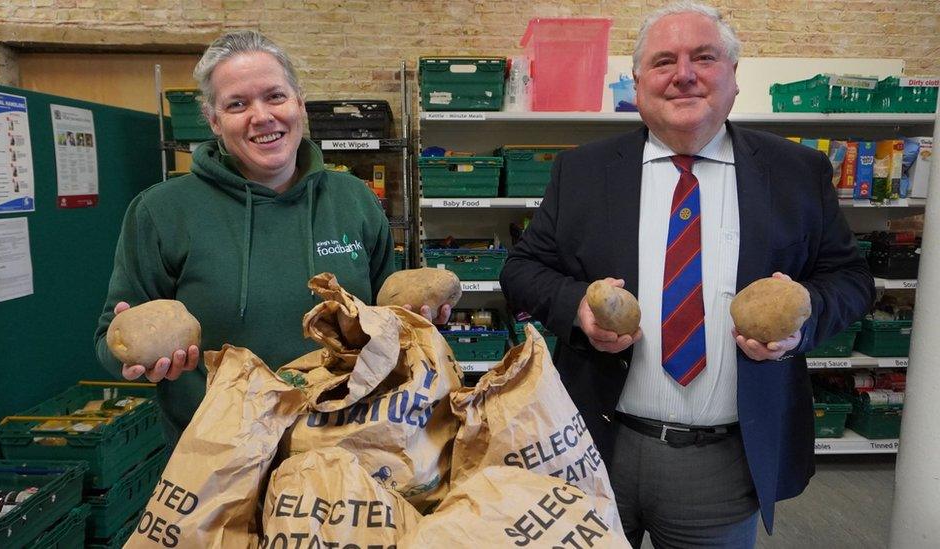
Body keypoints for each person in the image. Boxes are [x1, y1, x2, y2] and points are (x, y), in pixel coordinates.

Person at [500, 2, 874, 547]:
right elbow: (522, 268)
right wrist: (578, 307)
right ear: (638, 83)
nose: (684, 75)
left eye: (704, 57)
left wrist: (805, 315)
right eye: (663, 61)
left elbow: (850, 277)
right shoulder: (581, 171)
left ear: (733, 78)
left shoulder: (797, 173)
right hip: (594, 443)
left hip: (724, 461)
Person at [94, 30, 446, 445]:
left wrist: (415, 321)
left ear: (298, 102)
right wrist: (141, 362)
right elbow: (109, 341)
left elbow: (388, 316)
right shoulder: (161, 211)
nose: (261, 116)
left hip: (345, 442)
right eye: (237, 104)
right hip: (220, 454)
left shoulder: (354, 199)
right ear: (214, 120)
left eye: (275, 96)